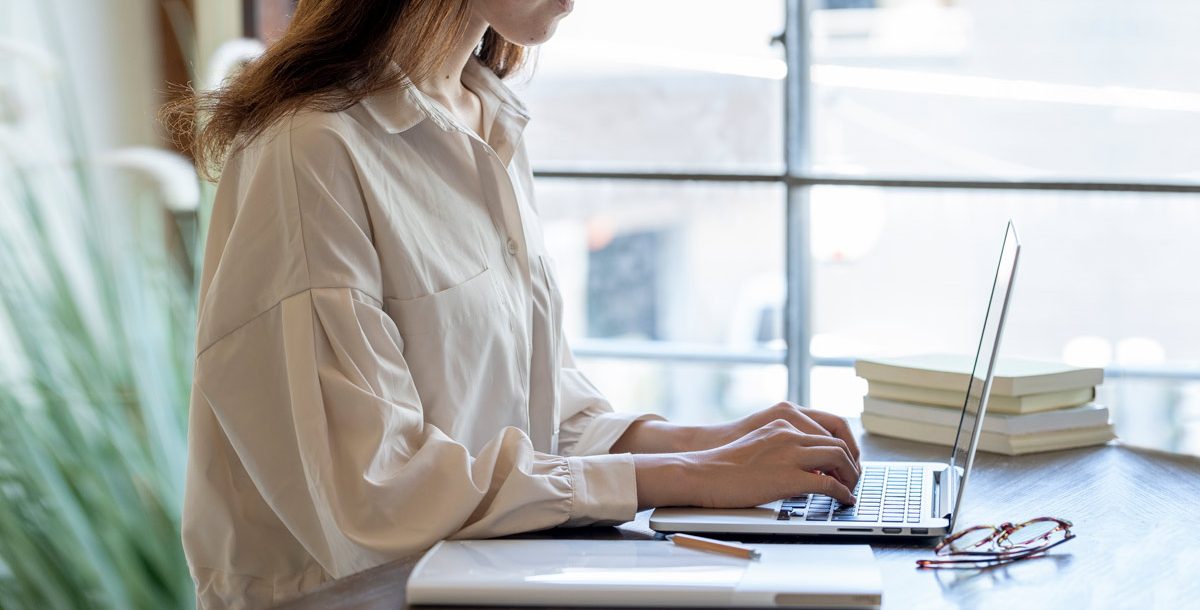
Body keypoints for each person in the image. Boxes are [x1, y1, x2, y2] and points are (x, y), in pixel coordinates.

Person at [168, 1, 861, 608]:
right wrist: (690, 477)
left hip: (489, 577)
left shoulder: (483, 113)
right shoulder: (309, 150)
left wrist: (715, 443)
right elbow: (375, 491)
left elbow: (539, 410)